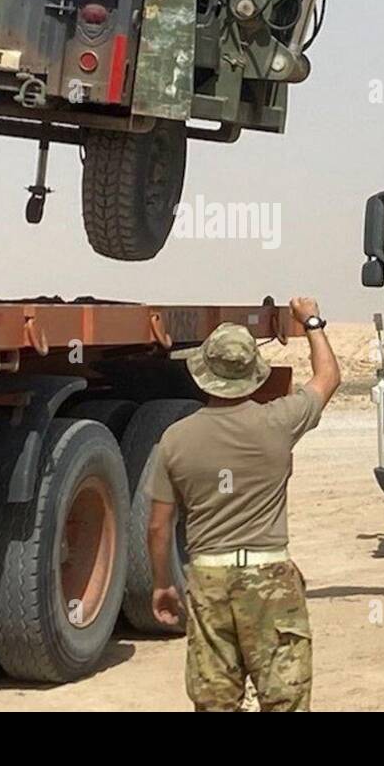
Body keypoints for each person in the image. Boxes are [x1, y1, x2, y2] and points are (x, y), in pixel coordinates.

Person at [145, 296, 341, 712]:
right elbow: (328, 377)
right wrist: (311, 321)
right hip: (270, 574)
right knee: (284, 699)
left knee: (215, 700)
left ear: (203, 375)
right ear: (254, 373)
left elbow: (159, 526)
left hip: (208, 578)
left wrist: (162, 584)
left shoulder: (174, 440)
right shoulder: (279, 421)